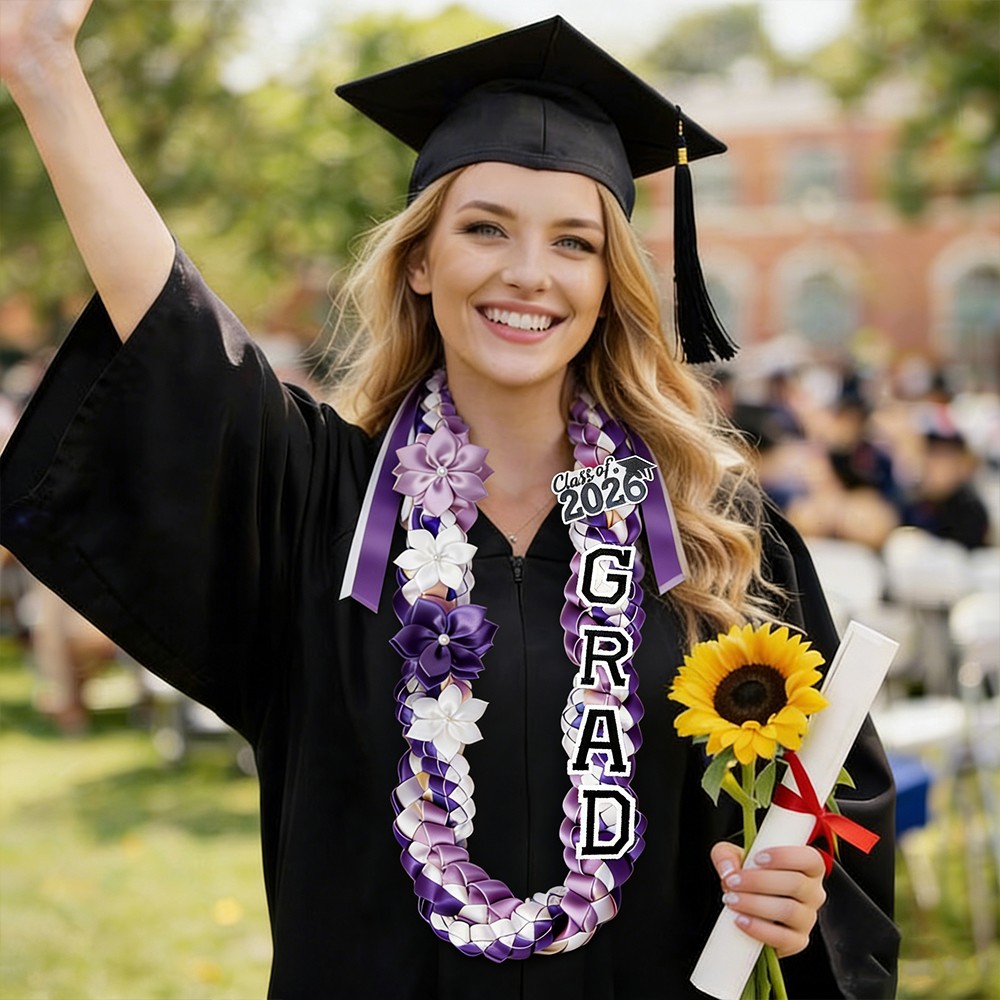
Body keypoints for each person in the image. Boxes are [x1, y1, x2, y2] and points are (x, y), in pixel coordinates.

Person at [0, 4, 898, 997]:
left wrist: (796, 901)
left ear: (609, 281)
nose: (527, 272)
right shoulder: (325, 510)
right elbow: (175, 334)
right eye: (484, 228)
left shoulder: (704, 529)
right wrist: (43, 68)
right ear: (421, 260)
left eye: (573, 242)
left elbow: (829, 805)